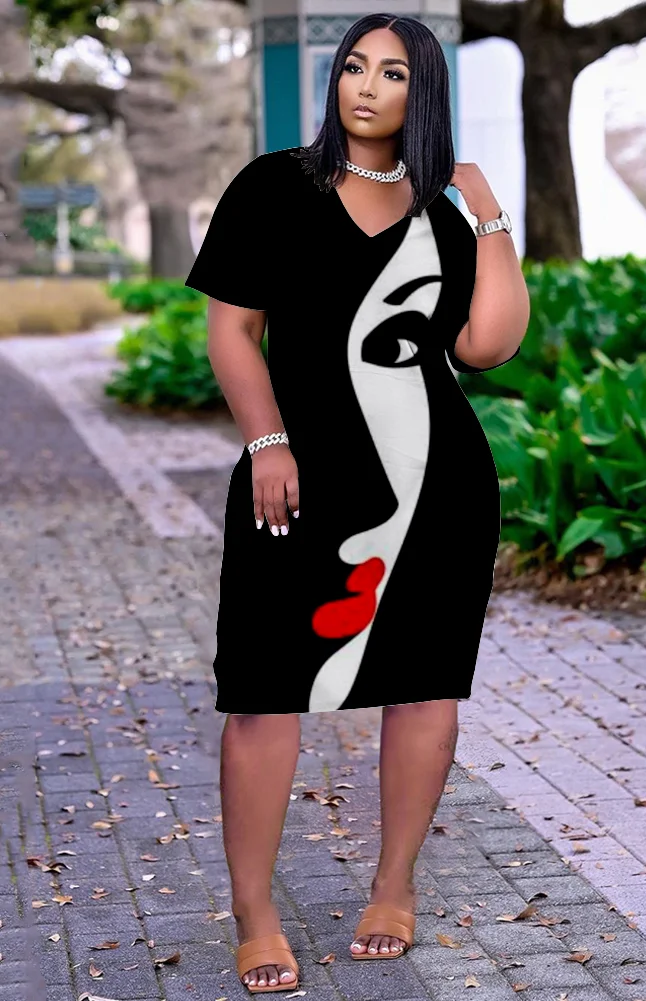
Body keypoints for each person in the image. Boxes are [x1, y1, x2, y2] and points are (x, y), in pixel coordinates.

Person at [184, 11, 529, 995]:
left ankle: (393, 884)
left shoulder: (442, 214)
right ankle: (254, 909)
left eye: (392, 73)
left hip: (431, 485)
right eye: (353, 67)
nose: (366, 87)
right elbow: (232, 331)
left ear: (423, 94)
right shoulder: (273, 185)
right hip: (293, 476)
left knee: (423, 683)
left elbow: (486, 345)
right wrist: (267, 440)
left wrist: (486, 211)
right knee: (262, 691)